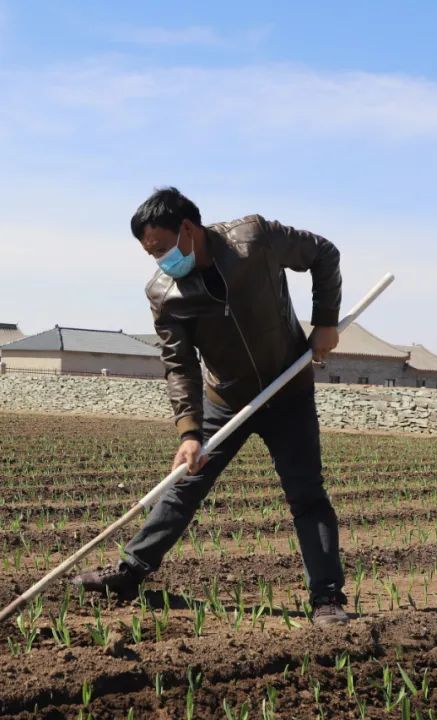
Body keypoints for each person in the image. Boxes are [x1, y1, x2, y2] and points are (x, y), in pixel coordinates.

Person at [71, 187, 349, 625]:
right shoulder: (164, 295)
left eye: (162, 248)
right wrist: (188, 432)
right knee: (184, 486)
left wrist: (326, 322)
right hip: (227, 396)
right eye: (150, 255)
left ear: (187, 228)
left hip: (288, 389)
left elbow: (324, 254)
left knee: (306, 495)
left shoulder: (253, 239)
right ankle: (128, 574)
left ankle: (328, 600)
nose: (160, 260)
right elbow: (179, 364)